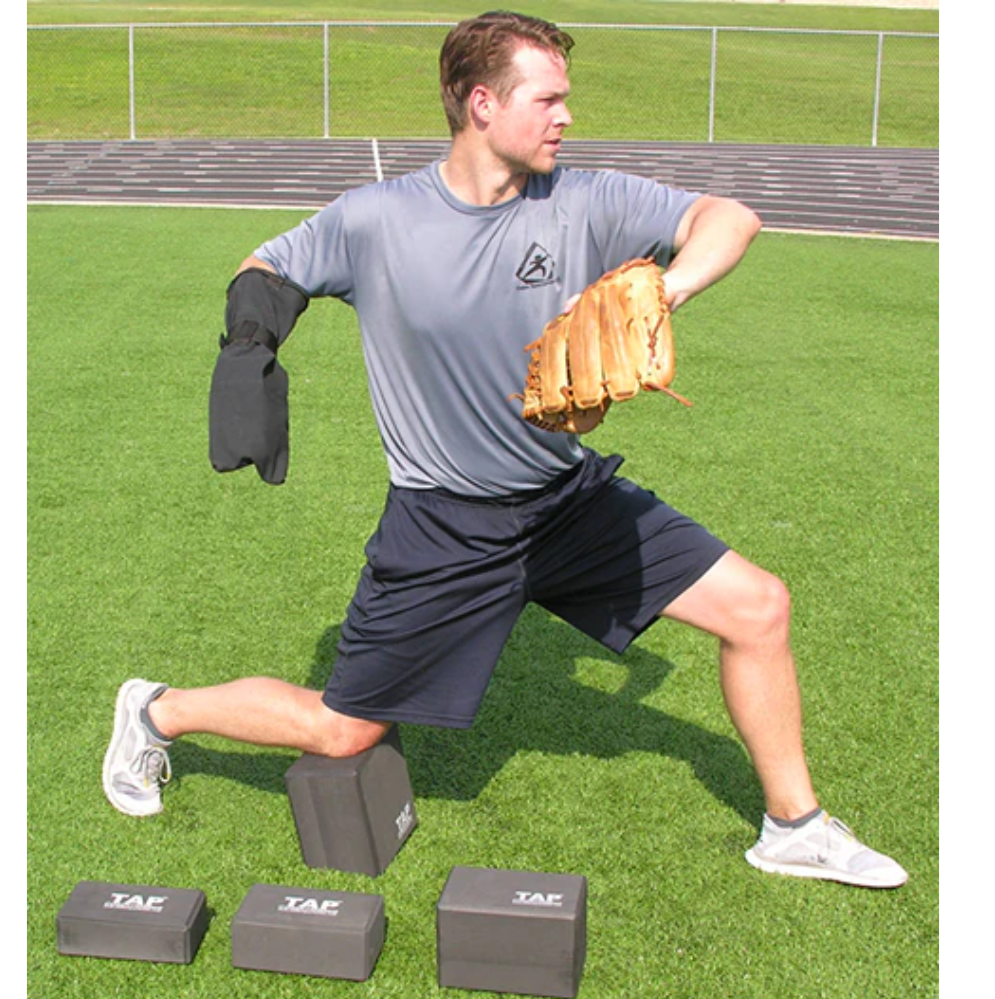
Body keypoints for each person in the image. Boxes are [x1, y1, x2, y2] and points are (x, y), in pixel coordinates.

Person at [103, 11, 907, 889]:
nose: (566, 116)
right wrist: (249, 346)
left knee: (758, 608)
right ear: (482, 103)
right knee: (343, 730)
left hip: (569, 503)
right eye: (548, 98)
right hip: (445, 526)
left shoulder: (587, 200)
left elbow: (730, 217)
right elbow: (268, 265)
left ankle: (795, 826)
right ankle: (156, 710)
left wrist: (664, 292)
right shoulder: (378, 220)